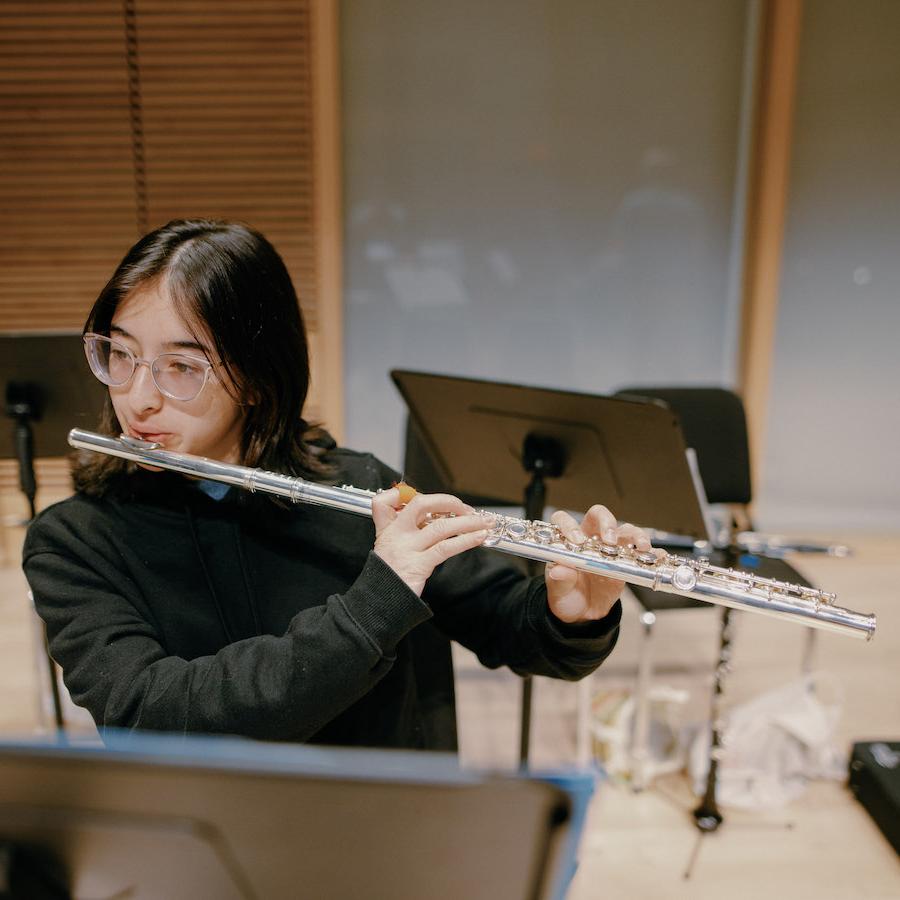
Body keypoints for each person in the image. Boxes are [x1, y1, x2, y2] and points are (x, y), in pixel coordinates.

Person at [23, 219, 653, 751]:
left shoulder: (363, 487)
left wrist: (571, 613)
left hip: (390, 834)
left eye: (180, 367)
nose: (137, 397)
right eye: (121, 355)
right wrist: (377, 600)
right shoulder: (74, 542)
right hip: (215, 846)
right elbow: (150, 717)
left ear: (255, 378)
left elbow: (518, 634)